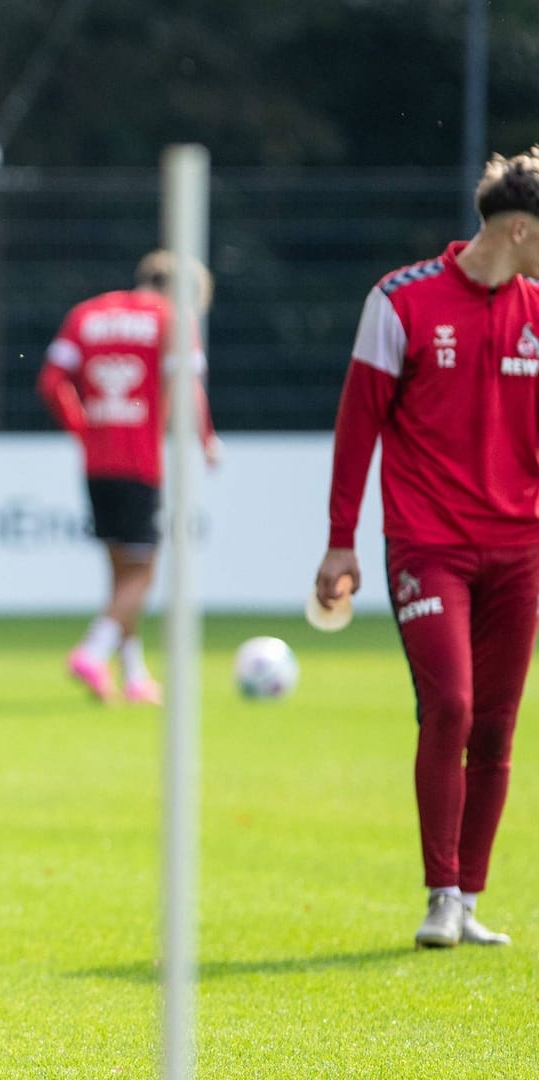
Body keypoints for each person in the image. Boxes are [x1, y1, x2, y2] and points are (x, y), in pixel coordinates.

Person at [315, 147, 539, 950]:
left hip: (519, 550)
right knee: (449, 705)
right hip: (427, 545)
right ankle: (440, 894)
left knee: (499, 726)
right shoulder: (400, 300)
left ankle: (469, 900)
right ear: (518, 230)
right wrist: (340, 542)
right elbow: (357, 428)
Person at [37, 251, 219, 705]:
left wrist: (82, 427)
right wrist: (205, 438)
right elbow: (188, 385)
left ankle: (134, 675)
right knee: (143, 573)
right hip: (140, 463)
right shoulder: (170, 318)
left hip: (96, 463)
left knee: (120, 573)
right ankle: (92, 653)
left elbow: (50, 381)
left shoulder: (87, 313)